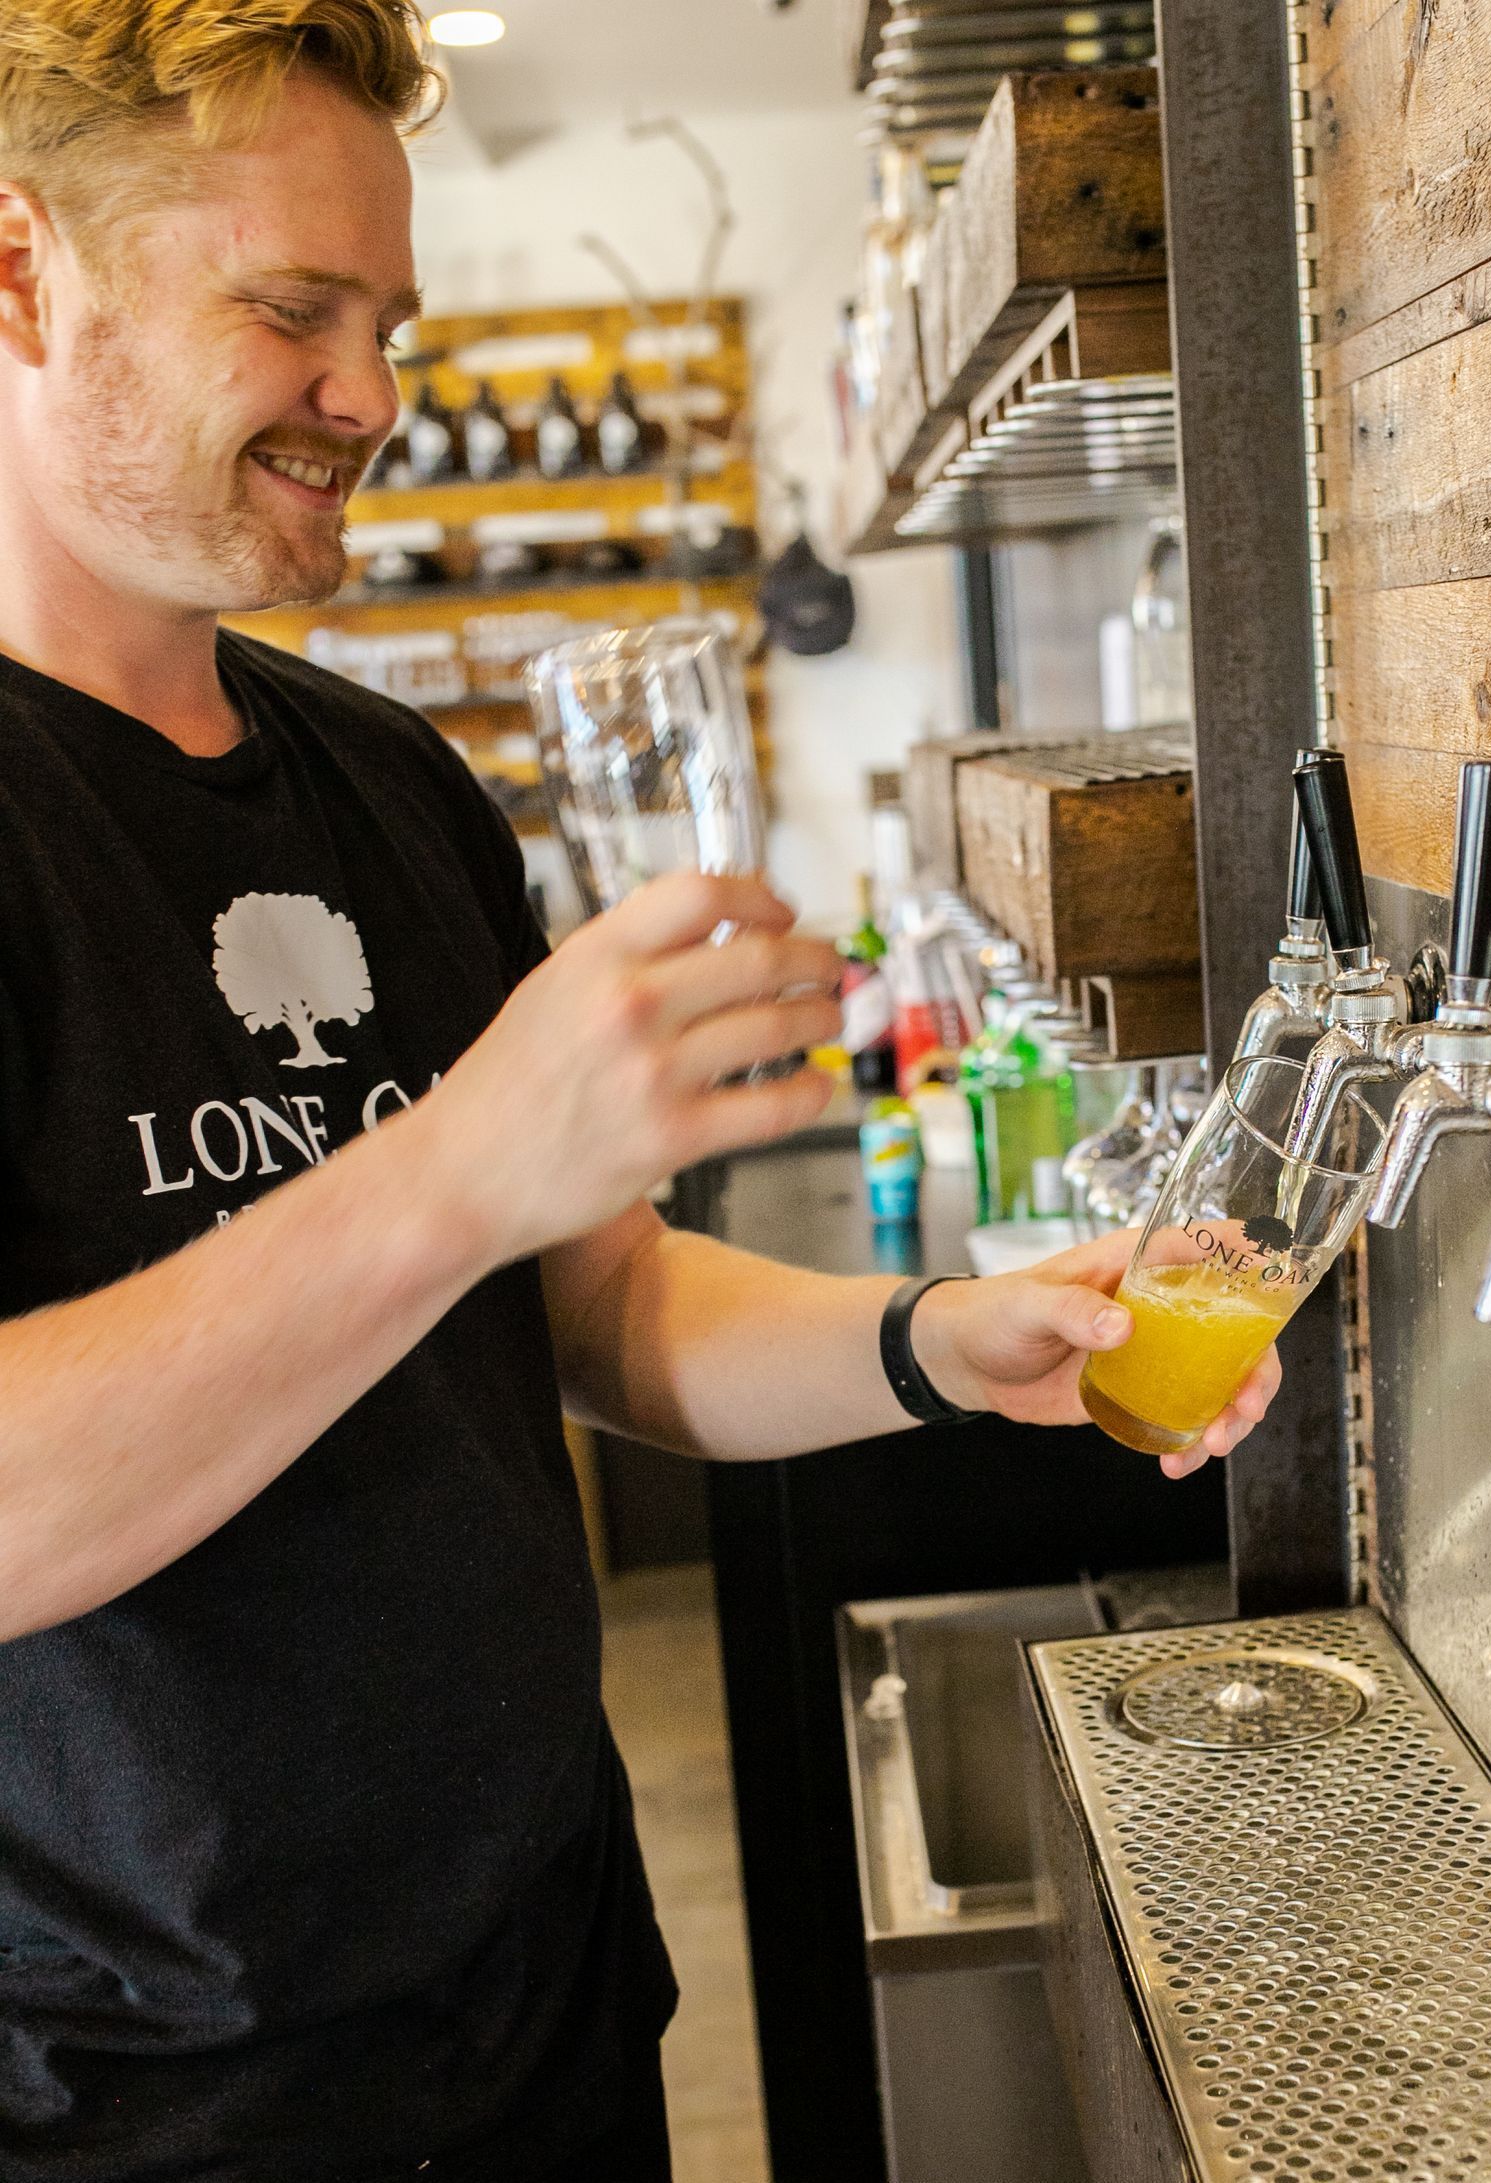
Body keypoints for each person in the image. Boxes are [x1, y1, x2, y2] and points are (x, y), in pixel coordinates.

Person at [0, 6, 1281, 2179]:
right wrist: (462, 1162)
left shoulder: (390, 788)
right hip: (138, 2107)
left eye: (387, 322)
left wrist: (946, 1342)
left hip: (555, 2001)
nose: (373, 399)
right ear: (20, 273)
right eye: (292, 311)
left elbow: (595, 1314)